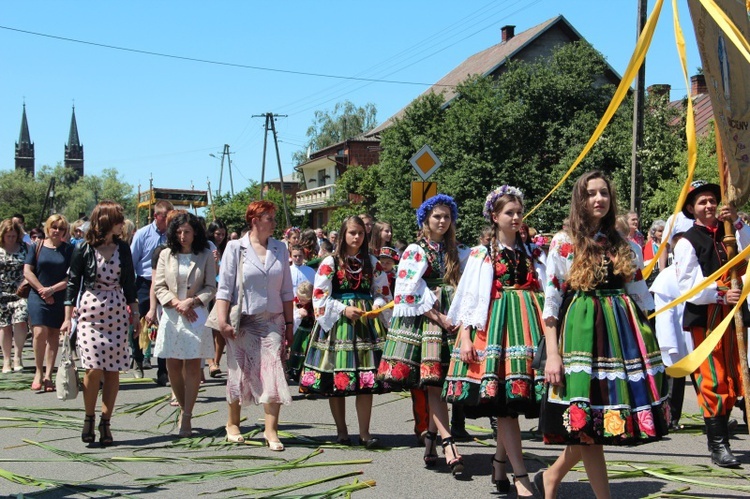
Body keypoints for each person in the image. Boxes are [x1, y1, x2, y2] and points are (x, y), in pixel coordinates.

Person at [536, 171, 668, 498]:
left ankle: (551, 476)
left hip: (619, 340)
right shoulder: (564, 242)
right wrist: (553, 355)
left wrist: (653, 344)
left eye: (604, 193)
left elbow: (641, 297)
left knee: (592, 426)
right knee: (589, 429)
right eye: (591, 193)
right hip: (581, 337)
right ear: (580, 200)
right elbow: (551, 304)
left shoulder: (624, 244)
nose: (599, 199)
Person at [445, 186, 545, 497]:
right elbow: (468, 298)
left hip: (527, 325)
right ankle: (521, 475)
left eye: (518, 212)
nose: (516, 218)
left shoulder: (531, 252)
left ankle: (499, 463)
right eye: (509, 213)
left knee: (511, 404)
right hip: (494, 327)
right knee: (504, 405)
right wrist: (464, 337)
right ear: (495, 216)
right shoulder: (481, 254)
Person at [378, 194, 468, 477]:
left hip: (451, 318)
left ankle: (431, 440)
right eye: (436, 216)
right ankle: (448, 441)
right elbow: (407, 290)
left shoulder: (456, 249)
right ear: (425, 220)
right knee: (433, 383)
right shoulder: (416, 251)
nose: (442, 221)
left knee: (442, 382)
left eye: (446, 216)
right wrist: (438, 316)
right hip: (427, 321)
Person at [673, 180, 750, 467]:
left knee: (735, 373)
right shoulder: (687, 241)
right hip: (706, 318)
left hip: (735, 315)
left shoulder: (729, 232)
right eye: (702, 202)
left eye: (711, 201)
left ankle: (726, 429)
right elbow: (687, 286)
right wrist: (720, 293)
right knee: (714, 376)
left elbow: (747, 256)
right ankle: (718, 445)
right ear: (692, 208)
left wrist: (737, 223)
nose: (709, 206)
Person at [299, 215, 391, 449]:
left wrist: (379, 304)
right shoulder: (330, 261)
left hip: (365, 323)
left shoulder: (371, 261)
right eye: (352, 233)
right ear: (343, 235)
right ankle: (341, 431)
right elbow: (319, 294)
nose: (357, 237)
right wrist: (343, 309)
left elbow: (382, 291)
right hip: (338, 323)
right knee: (337, 379)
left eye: (360, 233)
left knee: (366, 380)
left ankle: (365, 433)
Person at [215, 201, 294, 451]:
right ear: (254, 221)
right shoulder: (235, 247)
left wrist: (290, 324)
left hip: (273, 320)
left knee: (273, 370)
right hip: (244, 320)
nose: (273, 221)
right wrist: (222, 321)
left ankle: (271, 431)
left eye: (273, 217)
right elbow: (225, 287)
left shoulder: (280, 248)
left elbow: (286, 290)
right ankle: (233, 423)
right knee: (239, 371)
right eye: (268, 218)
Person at [61, 201, 138, 446]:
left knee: (113, 370)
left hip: (116, 309)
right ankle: (89, 416)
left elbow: (130, 284)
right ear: (105, 221)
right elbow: (73, 283)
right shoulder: (83, 249)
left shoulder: (123, 248)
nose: (122, 223)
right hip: (89, 312)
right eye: (118, 219)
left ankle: (106, 421)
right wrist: (66, 318)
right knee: (93, 368)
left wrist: (135, 314)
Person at [153, 212, 216, 437]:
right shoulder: (165, 255)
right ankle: (181, 406)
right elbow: (159, 286)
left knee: (192, 366)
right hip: (171, 315)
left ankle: (187, 415)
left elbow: (211, 287)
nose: (182, 236)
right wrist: (176, 303)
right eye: (178, 232)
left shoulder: (206, 255)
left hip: (196, 315)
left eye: (187, 232)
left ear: (195, 232)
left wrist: (192, 301)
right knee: (173, 364)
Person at [24, 214, 73, 392]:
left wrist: (52, 290)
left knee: (53, 335)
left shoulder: (68, 250)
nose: (57, 231)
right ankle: (38, 371)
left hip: (58, 295)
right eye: (54, 227)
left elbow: (71, 277)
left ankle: (48, 375)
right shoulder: (36, 247)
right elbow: (28, 272)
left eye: (61, 228)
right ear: (48, 228)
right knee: (39, 332)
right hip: (37, 295)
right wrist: (42, 290)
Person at [650, 232, 690, 431]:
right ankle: (668, 417)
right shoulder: (666, 277)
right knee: (673, 378)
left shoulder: (694, 272)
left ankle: (718, 417)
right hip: (674, 334)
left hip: (692, 333)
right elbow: (664, 315)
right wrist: (669, 342)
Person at [132, 200, 174, 383]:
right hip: (144, 282)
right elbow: (133, 261)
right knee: (140, 323)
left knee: (164, 325)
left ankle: (163, 370)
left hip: (165, 284)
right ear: (157, 216)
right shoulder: (142, 234)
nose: (168, 221)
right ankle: (138, 358)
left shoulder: (173, 236)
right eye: (165, 217)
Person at [0, 219, 29, 374]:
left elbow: (31, 267)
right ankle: (6, 359)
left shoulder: (25, 247)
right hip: (2, 293)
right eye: (8, 236)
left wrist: (25, 282)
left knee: (21, 322)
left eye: (13, 235)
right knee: (4, 326)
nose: (11, 238)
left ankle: (17, 356)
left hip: (21, 292)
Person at [206, 219, 228, 378]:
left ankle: (217, 361)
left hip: (223, 291)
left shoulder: (228, 248)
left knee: (220, 327)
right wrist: (215, 261)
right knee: (207, 327)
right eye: (217, 234)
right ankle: (210, 362)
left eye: (223, 234)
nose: (220, 237)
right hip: (208, 289)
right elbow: (211, 273)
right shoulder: (207, 247)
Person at [287, 281, 314, 382]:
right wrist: (298, 311)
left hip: (309, 331)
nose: (301, 301)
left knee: (305, 350)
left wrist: (309, 314)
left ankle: (304, 372)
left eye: (304, 300)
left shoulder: (312, 304)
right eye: (300, 299)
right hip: (299, 330)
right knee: (295, 348)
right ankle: (292, 370)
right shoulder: (295, 302)